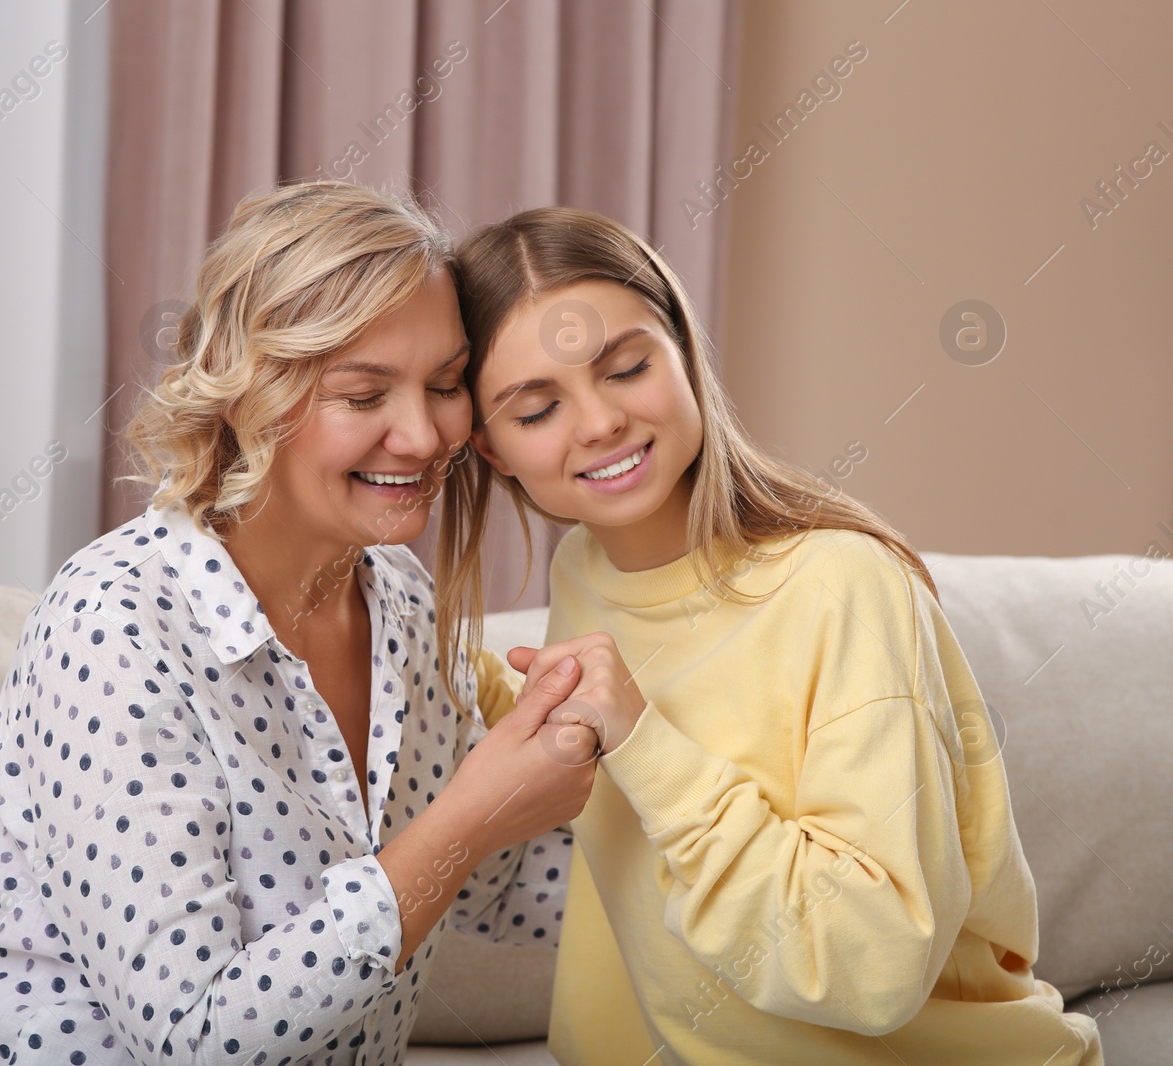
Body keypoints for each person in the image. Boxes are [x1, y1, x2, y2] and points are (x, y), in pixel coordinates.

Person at [0, 181, 606, 1066]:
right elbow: (190, 1040)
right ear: (247, 396)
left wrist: (724, 864)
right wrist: (473, 813)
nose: (422, 433)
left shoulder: (399, 600)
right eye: (363, 396)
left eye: (444, 385)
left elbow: (495, 887)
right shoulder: (115, 624)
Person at [437, 205, 1104, 1065]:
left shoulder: (842, 588)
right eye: (537, 411)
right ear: (492, 451)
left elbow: (875, 964)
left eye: (628, 366)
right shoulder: (585, 576)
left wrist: (646, 744)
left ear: (683, 352)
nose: (598, 422)